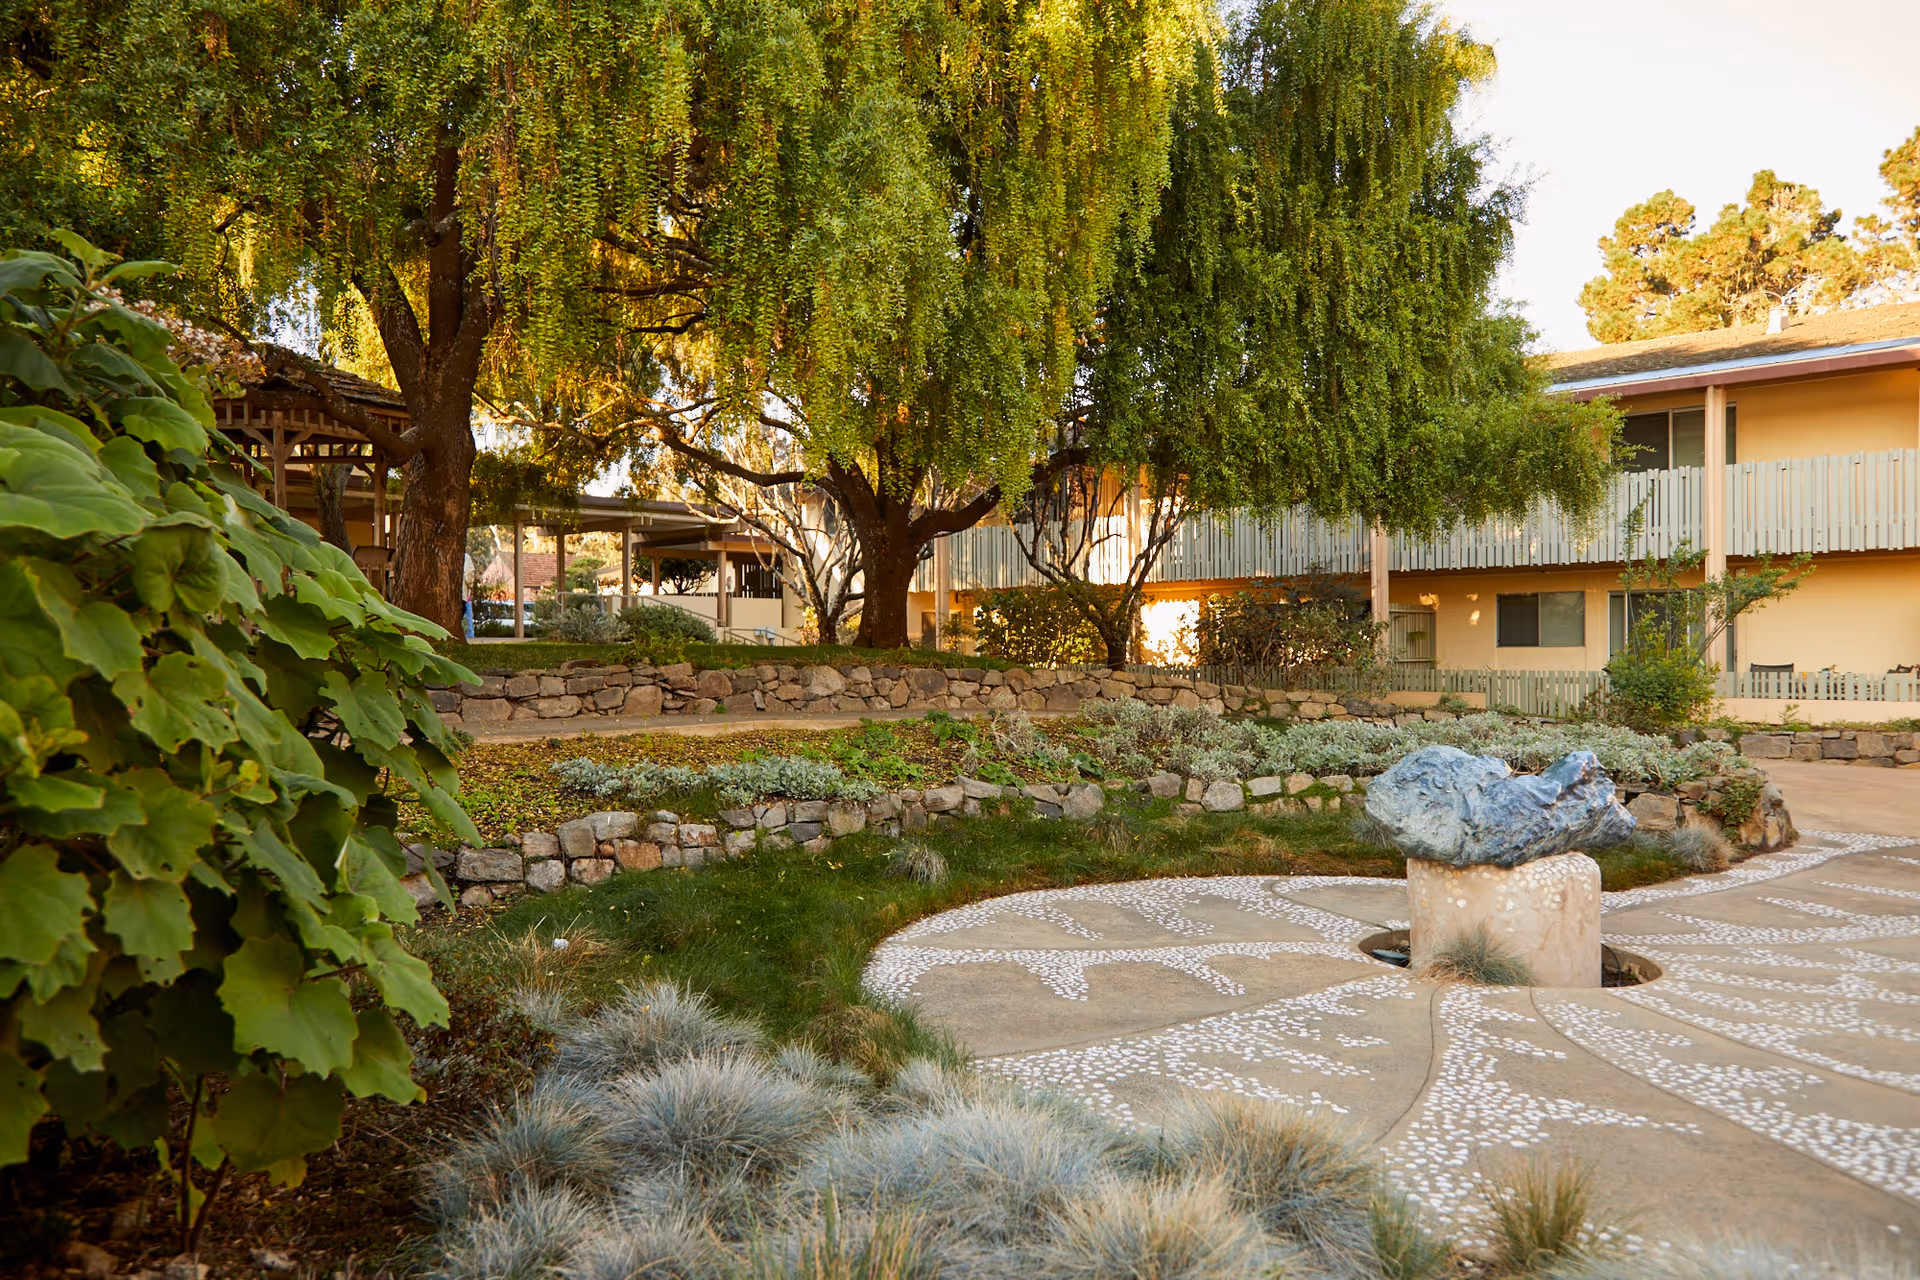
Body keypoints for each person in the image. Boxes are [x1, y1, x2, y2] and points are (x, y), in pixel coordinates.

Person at [462, 552, 475, 639]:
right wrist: (471, 585)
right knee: (466, 617)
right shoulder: (465, 557)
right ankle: (469, 636)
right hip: (463, 594)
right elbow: (469, 575)